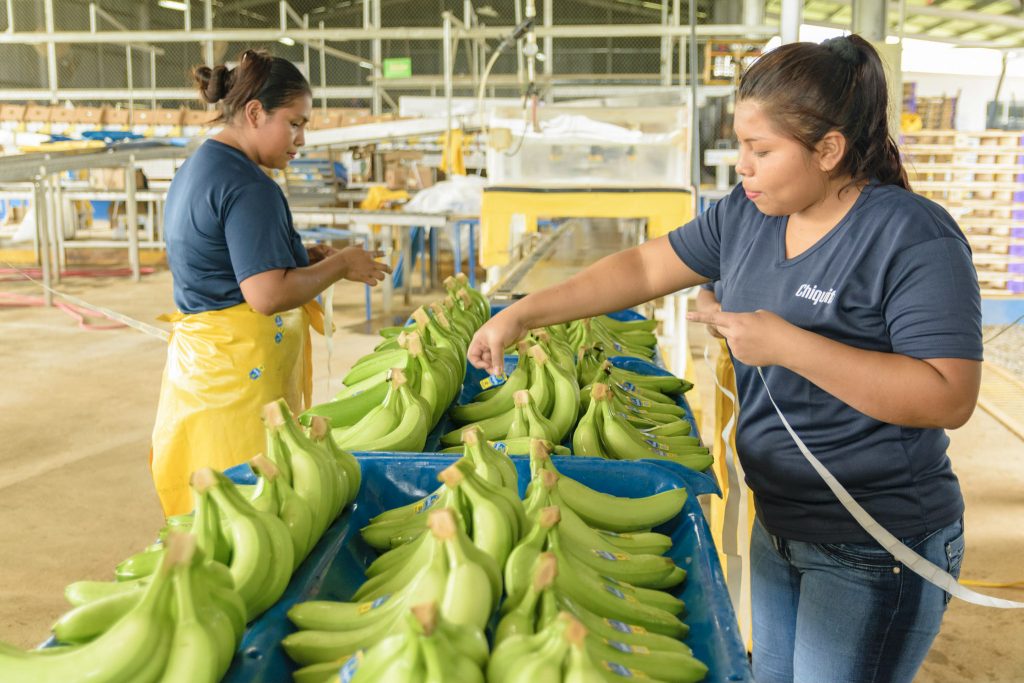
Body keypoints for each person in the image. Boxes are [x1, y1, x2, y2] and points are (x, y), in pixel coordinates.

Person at [468, 35, 981, 683]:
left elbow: (947, 394)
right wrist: (521, 313)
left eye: (761, 150)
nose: (742, 165)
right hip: (781, 524)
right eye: (740, 144)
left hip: (873, 544)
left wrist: (786, 344)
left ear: (829, 150)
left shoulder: (911, 237)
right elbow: (647, 264)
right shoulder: (749, 214)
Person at [151, 49, 390, 517]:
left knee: (212, 511)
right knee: (250, 511)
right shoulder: (248, 186)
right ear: (255, 112)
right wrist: (340, 265)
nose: (301, 139)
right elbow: (266, 294)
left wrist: (307, 258)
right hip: (237, 382)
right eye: (295, 123)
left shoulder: (203, 167)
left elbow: (231, 261)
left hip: (206, 373)